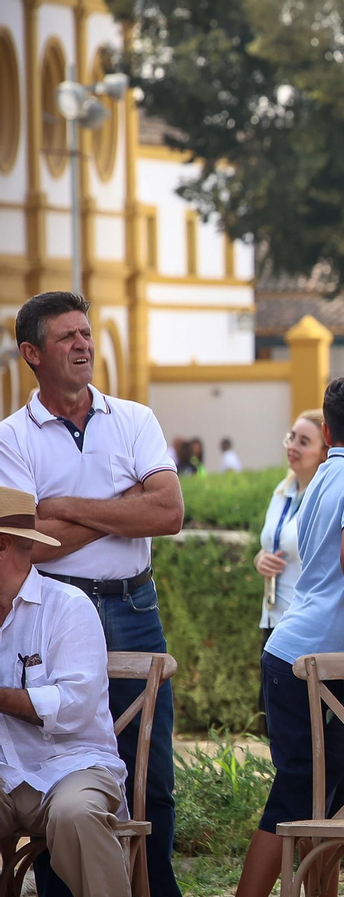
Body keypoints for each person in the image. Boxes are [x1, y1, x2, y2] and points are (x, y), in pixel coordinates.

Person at [0, 291, 184, 897]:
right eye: (67, 337)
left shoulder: (134, 418)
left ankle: (155, 888)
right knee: (53, 750)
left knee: (150, 766)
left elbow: (169, 512)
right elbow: (27, 545)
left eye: (86, 333)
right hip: (51, 609)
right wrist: (126, 507)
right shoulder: (11, 438)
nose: (83, 345)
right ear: (32, 353)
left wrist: (65, 507)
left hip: (133, 605)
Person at [235, 377, 344, 897]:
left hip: (307, 655)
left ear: (327, 432)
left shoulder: (322, 476)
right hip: (316, 662)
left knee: (328, 801)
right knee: (298, 797)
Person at [0, 486, 132, 897]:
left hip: (72, 767)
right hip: (3, 773)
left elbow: (74, 707)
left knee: (77, 814)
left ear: (2, 546)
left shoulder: (68, 606)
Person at [253, 410, 329, 725]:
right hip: (272, 619)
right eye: (292, 438)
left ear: (324, 451)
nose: (293, 447)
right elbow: (273, 543)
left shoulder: (324, 499)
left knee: (302, 728)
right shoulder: (282, 492)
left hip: (305, 627)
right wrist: (260, 559)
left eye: (304, 441)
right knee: (273, 724)